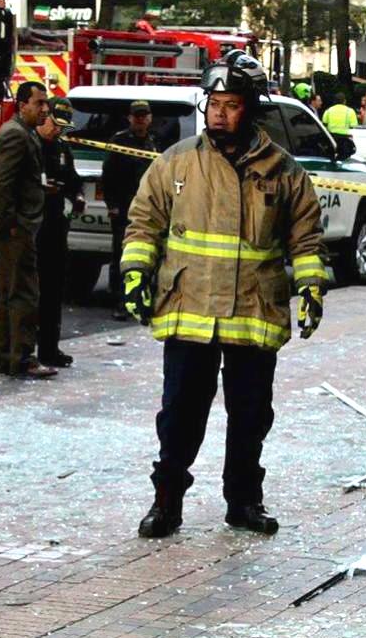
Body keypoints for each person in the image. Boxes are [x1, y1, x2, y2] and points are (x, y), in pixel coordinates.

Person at [118, 57, 326, 538]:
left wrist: (311, 286)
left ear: (250, 109)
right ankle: (166, 502)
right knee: (179, 416)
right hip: (189, 311)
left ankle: (244, 502)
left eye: (231, 105)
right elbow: (144, 222)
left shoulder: (284, 171)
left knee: (251, 417)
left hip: (254, 312)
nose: (219, 113)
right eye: (214, 103)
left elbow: (306, 237)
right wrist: (135, 272)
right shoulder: (176, 163)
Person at [0, 80, 52, 378]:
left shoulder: (25, 133)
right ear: (22, 105)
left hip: (18, 226)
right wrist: (11, 224)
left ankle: (5, 358)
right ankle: (22, 358)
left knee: (8, 293)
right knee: (23, 294)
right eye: (39, 103)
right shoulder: (15, 134)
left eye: (46, 103)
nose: (45, 109)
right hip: (17, 229)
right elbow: (1, 185)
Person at [34, 99, 78, 369]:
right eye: (55, 124)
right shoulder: (30, 144)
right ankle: (3, 349)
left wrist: (77, 195)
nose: (57, 130)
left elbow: (71, 178)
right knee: (25, 293)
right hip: (33, 228)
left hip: (56, 227)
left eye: (63, 127)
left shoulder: (61, 147)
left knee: (53, 291)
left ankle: (49, 349)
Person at [99, 99, 162, 229]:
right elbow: (108, 175)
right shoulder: (119, 141)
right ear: (130, 118)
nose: (140, 119)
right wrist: (112, 205)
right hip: (123, 204)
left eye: (144, 115)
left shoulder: (155, 141)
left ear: (150, 118)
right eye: (137, 115)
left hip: (148, 204)